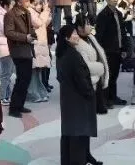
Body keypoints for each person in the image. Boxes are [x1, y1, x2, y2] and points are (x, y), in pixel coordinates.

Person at [56, 24, 99, 165]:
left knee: (70, 132)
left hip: (68, 98)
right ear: (66, 38)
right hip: (78, 99)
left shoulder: (62, 53)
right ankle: (78, 160)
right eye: (73, 34)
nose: (77, 36)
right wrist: (90, 92)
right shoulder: (73, 56)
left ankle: (73, 159)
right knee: (79, 132)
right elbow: (81, 79)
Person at [4, 0, 36, 118]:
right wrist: (25, 37)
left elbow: (30, 28)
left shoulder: (27, 12)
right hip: (18, 50)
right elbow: (8, 32)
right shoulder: (10, 14)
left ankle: (20, 104)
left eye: (29, 0)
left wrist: (32, 34)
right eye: (26, 0)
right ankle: (14, 108)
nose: (28, 3)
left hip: (27, 48)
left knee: (26, 78)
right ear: (19, 2)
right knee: (21, 79)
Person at [95, 0, 127, 106]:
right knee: (107, 75)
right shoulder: (103, 15)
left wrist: (124, 48)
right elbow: (100, 35)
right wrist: (100, 50)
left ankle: (113, 97)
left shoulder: (118, 13)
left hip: (118, 48)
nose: (115, 0)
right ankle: (106, 99)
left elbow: (122, 32)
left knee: (115, 75)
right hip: (108, 50)